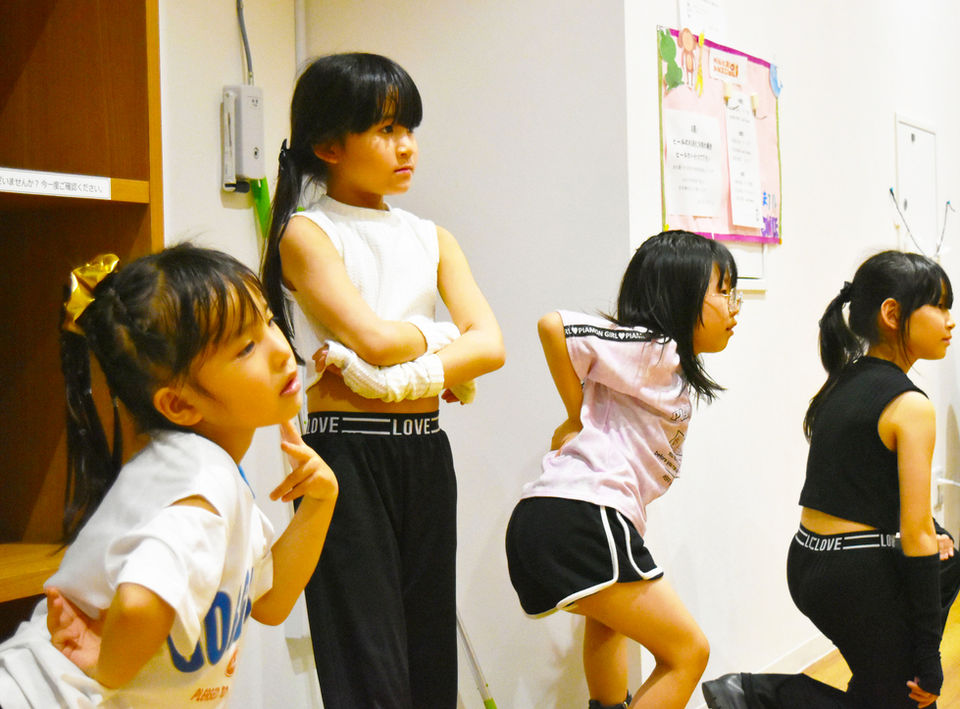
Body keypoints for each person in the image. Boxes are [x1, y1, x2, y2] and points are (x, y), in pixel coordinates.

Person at [260, 52, 504, 709]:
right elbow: (372, 339)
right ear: (328, 146)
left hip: (425, 450)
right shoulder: (307, 234)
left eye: (409, 129)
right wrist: (446, 340)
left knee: (430, 657)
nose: (406, 147)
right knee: (367, 663)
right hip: (345, 454)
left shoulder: (433, 237)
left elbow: (493, 345)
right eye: (386, 130)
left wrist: (401, 370)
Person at [0, 244, 338, 708]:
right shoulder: (201, 485)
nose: (281, 351)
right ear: (178, 404)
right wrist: (107, 667)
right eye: (246, 347)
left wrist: (320, 503)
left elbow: (270, 599)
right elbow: (141, 601)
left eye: (269, 320)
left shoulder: (206, 471)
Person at [701, 250, 960, 709]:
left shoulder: (844, 380)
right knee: (911, 697)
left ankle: (869, 680)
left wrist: (932, 535)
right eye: (938, 306)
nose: (949, 321)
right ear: (892, 314)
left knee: (946, 564)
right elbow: (916, 535)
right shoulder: (911, 406)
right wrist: (929, 656)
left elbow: (866, 487)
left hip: (809, 562)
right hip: (852, 575)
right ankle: (757, 695)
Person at [505, 230, 742, 709]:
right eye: (722, 291)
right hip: (582, 514)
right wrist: (574, 418)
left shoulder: (666, 368)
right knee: (688, 653)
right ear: (679, 294)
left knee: (609, 624)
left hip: (557, 517)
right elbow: (554, 327)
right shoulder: (656, 348)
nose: (734, 306)